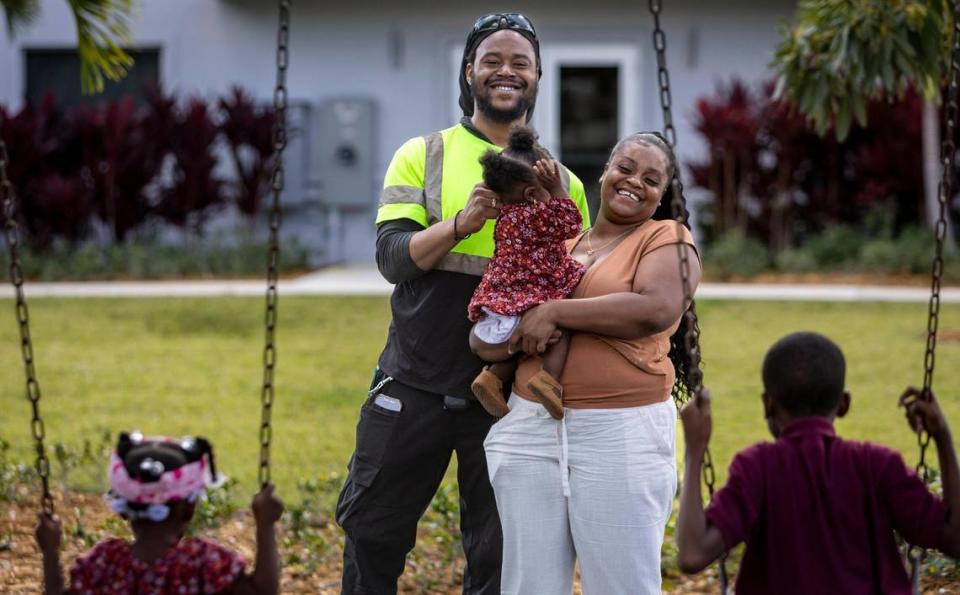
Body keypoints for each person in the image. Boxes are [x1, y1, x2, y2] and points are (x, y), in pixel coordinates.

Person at [335, 12, 591, 595]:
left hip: (506, 395)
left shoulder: (564, 183)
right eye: (492, 60)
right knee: (372, 537)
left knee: (500, 558)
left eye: (520, 62)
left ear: (537, 77)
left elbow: (573, 286)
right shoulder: (421, 154)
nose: (506, 71)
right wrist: (461, 223)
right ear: (469, 71)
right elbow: (392, 258)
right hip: (413, 384)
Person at [483, 131, 701, 594]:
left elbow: (655, 310)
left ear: (664, 194)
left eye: (651, 178)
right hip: (530, 430)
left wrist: (555, 312)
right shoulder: (562, 240)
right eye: (625, 167)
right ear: (604, 171)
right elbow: (505, 322)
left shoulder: (666, 237)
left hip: (619, 434)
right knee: (529, 586)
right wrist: (501, 342)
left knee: (622, 585)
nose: (634, 182)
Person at [677, 331, 960, 594]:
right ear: (844, 404)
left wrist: (695, 448)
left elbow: (692, 554)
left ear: (767, 405)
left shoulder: (757, 468)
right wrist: (943, 439)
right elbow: (955, 537)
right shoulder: (878, 466)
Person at [34, 432, 284, 595]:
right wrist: (265, 525)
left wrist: (50, 551)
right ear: (190, 508)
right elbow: (264, 591)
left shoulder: (105, 565)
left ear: (124, 510)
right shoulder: (203, 564)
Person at [467, 125, 585, 420]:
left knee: (522, 345)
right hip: (531, 296)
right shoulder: (537, 215)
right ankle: (548, 379)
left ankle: (492, 377)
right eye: (546, 188)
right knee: (562, 325)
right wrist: (557, 189)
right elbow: (572, 225)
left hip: (499, 304)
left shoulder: (506, 215)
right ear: (533, 193)